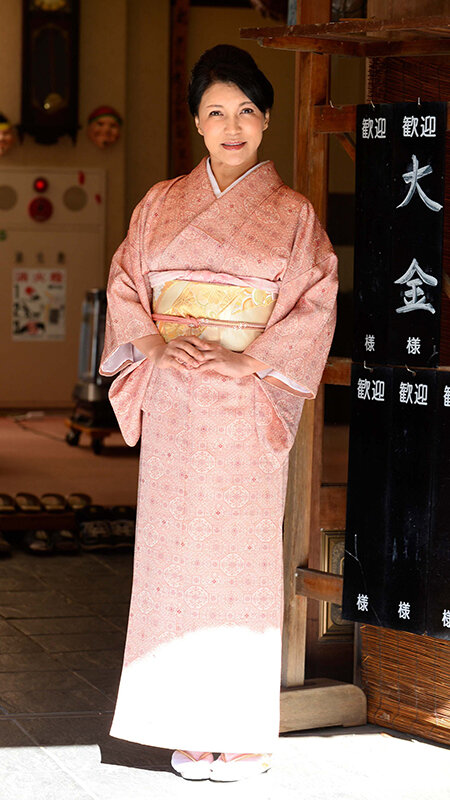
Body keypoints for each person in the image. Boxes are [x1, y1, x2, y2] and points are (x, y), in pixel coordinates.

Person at [100, 44, 338, 783]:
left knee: (239, 567)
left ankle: (239, 735)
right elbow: (126, 282)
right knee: (171, 564)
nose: (231, 126)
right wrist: (151, 343)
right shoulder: (159, 202)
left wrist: (249, 360)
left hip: (242, 403)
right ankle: (180, 726)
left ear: (265, 120)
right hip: (176, 399)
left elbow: (315, 301)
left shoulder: (293, 215)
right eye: (215, 112)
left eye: (245, 111)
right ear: (197, 124)